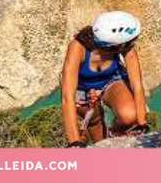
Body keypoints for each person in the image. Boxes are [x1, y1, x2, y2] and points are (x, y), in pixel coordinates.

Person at [61, 11, 149, 148]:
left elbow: (137, 85)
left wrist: (141, 123)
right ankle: (102, 145)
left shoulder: (126, 48)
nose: (133, 42)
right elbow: (67, 97)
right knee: (94, 121)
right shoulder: (78, 47)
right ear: (117, 44)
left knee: (129, 116)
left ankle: (114, 134)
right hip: (82, 88)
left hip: (112, 80)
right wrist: (74, 141)